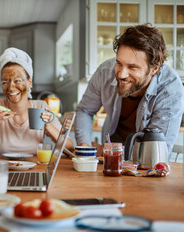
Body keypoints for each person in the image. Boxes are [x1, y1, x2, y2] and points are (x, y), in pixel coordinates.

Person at [75, 23, 184, 156]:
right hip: (113, 143)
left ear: (154, 69)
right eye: (119, 63)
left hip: (144, 155)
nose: (121, 74)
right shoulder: (105, 72)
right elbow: (85, 110)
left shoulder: (170, 90)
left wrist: (105, 151)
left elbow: (156, 152)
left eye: (132, 67)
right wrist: (84, 145)